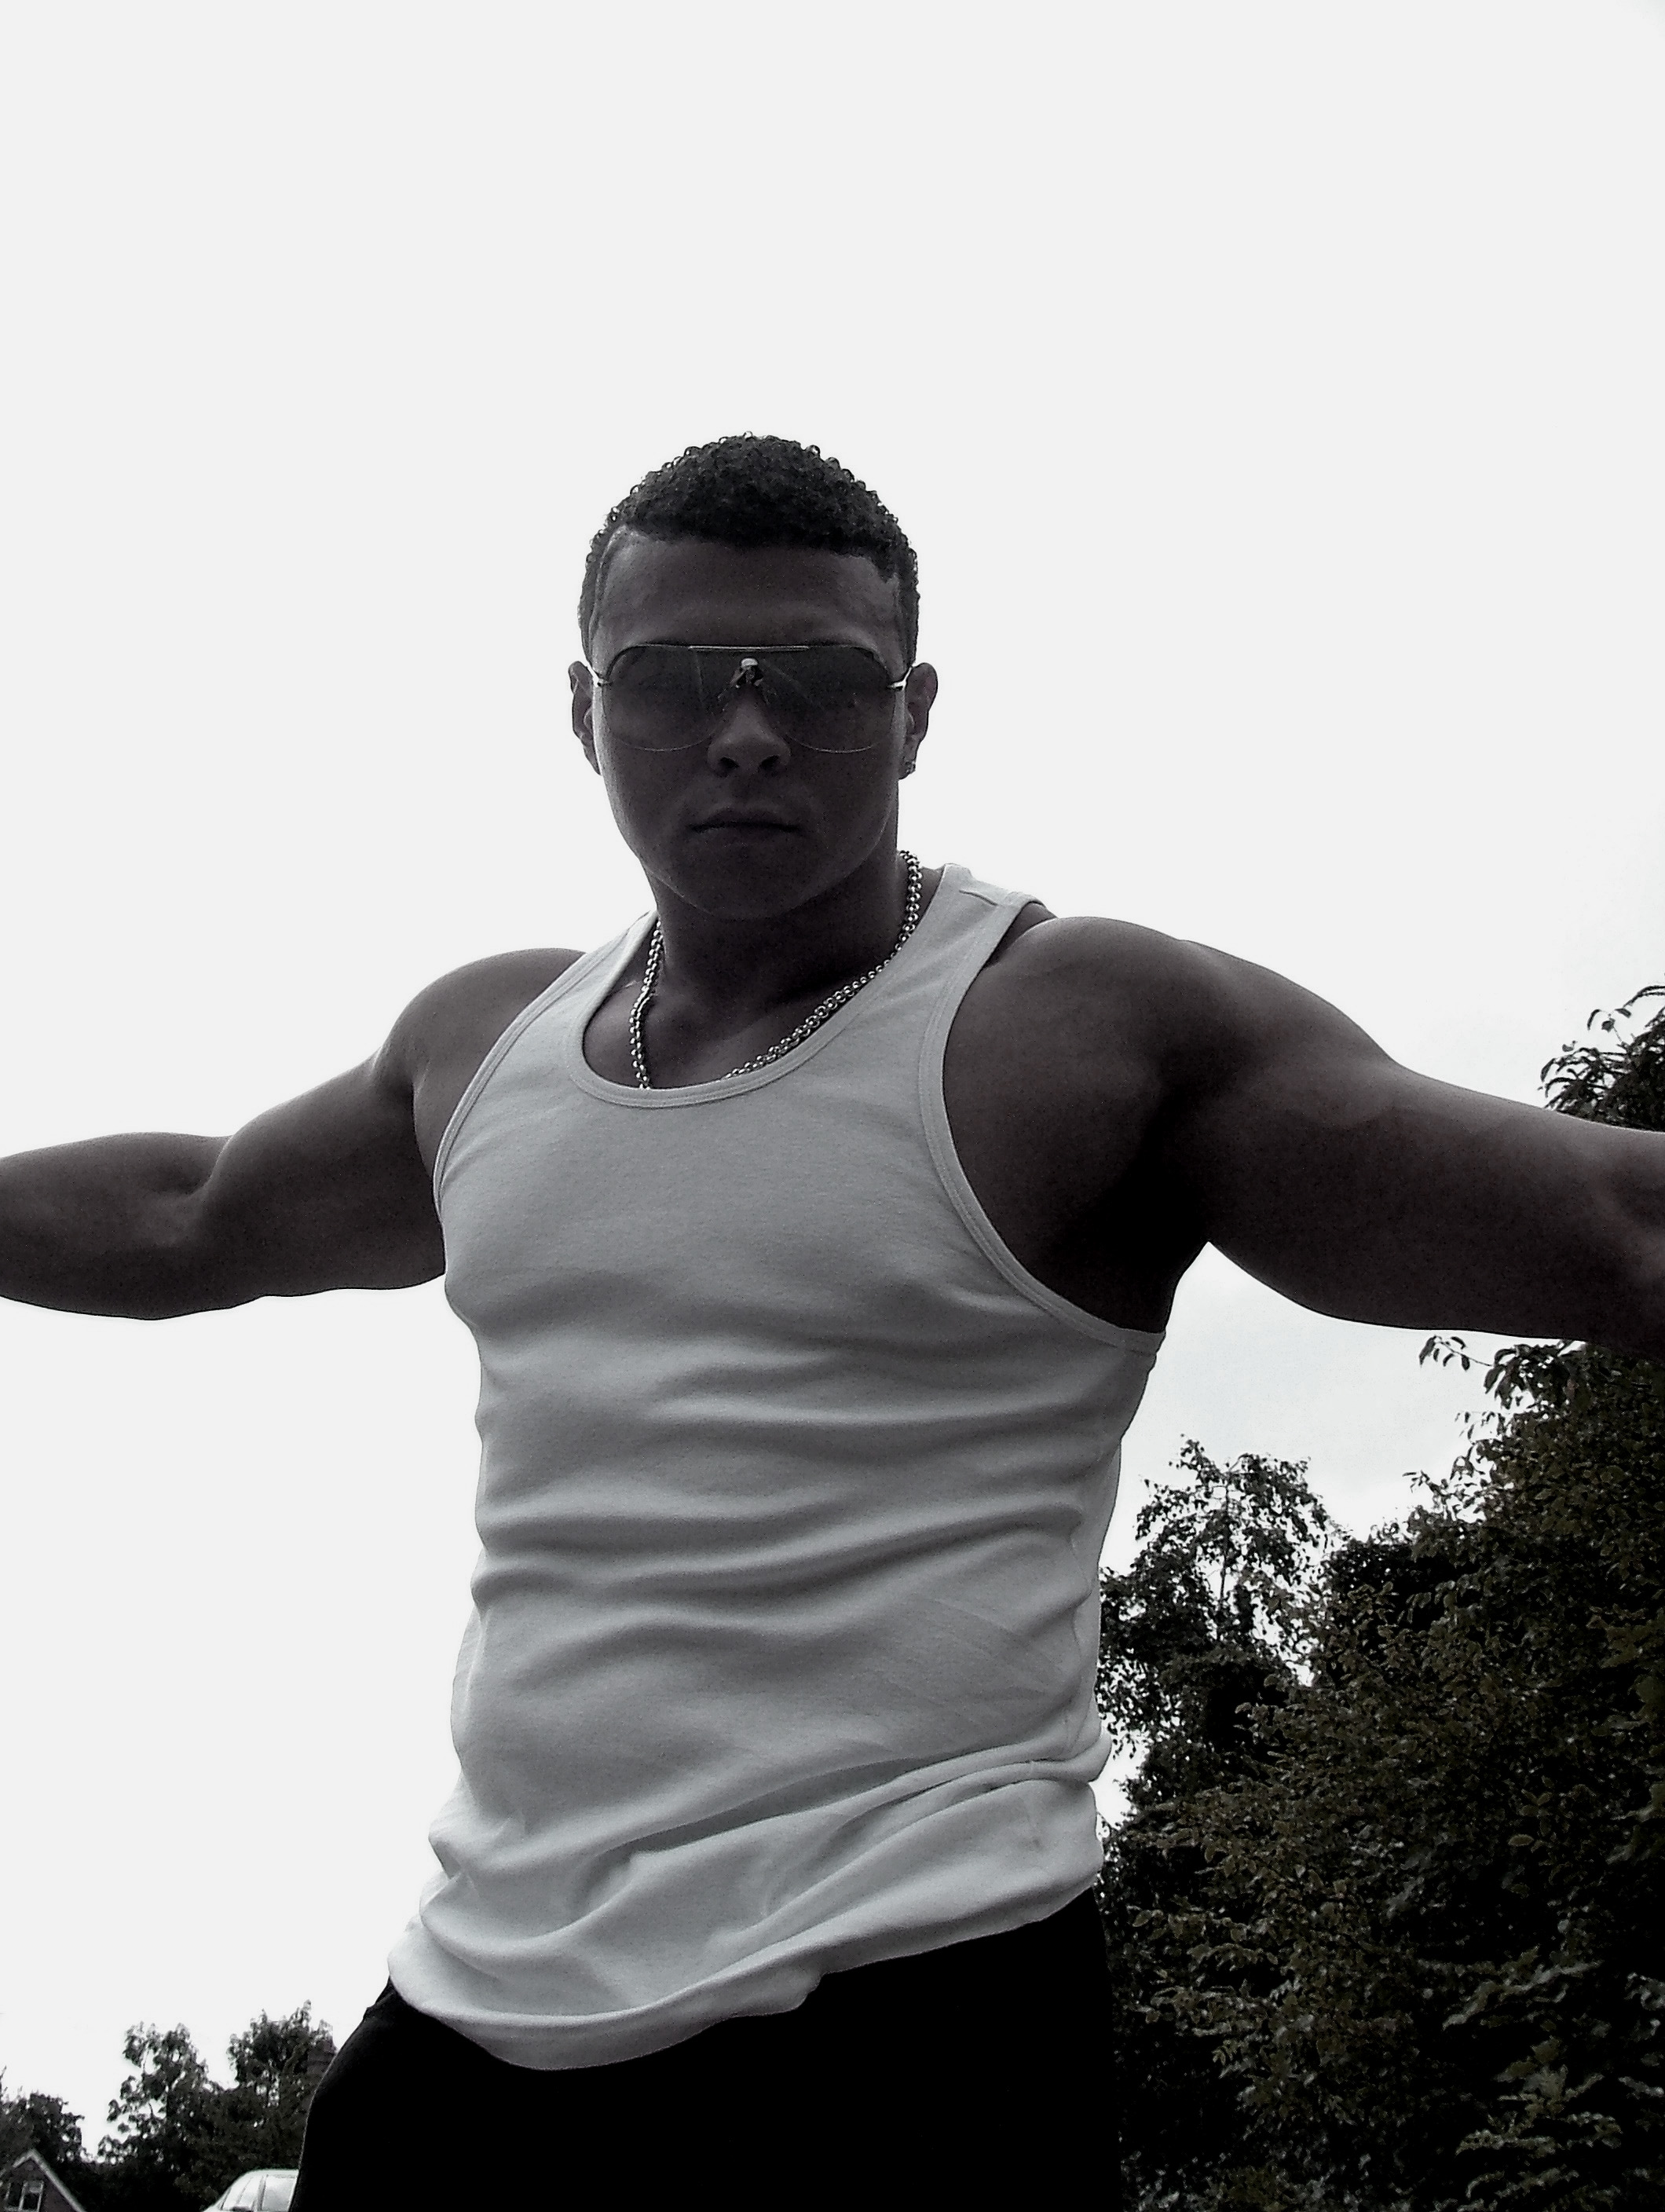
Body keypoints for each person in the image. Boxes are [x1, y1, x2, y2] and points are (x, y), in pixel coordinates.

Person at [2, 434, 1660, 2202]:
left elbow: (1617, 1231)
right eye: (671, 680)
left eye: (815, 680)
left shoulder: (1073, 1032)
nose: (743, 732)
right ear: (581, 710)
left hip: (903, 2022)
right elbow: (194, 1213)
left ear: (914, 710)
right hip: (474, 2019)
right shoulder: (479, 1048)